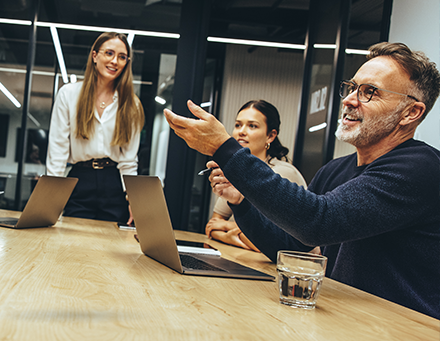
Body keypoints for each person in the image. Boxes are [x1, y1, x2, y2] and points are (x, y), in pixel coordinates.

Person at [165, 42, 440, 319]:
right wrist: (240, 202)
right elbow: (290, 246)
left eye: (370, 92)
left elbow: (317, 222)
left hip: (406, 328)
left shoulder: (421, 168)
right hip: (346, 319)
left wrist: (225, 148)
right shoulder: (335, 170)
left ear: (411, 112)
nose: (348, 100)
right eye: (352, 87)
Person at [47, 32, 144, 224]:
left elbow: (129, 160)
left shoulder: (131, 104)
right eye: (109, 53)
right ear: (94, 56)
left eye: (122, 57)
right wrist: (51, 197)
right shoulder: (68, 94)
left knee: (112, 246)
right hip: (79, 179)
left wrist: (133, 199)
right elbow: (57, 150)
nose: (115, 61)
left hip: (114, 183)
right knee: (73, 244)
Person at [205, 100, 306, 251]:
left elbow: (269, 241)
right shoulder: (235, 171)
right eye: (238, 125)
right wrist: (236, 235)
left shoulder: (282, 173)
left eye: (252, 126)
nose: (241, 131)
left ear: (270, 136)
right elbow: (212, 225)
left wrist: (227, 227)